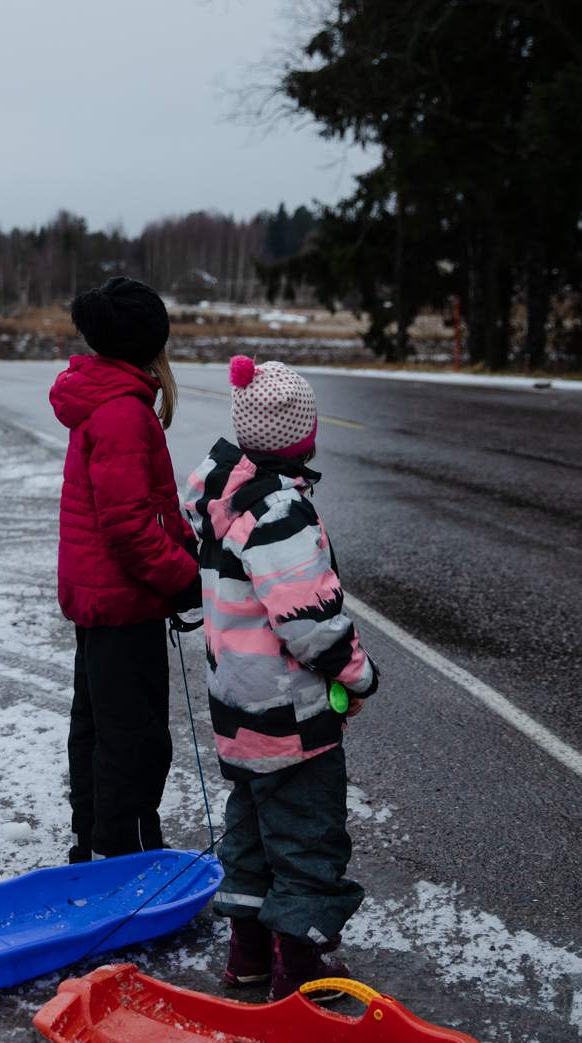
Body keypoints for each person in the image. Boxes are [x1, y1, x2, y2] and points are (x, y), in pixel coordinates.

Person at [178, 355, 378, 1000]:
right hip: (291, 711)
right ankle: (302, 974)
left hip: (235, 701)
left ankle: (248, 961)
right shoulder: (279, 512)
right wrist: (359, 673)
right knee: (307, 836)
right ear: (304, 436)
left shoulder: (220, 493)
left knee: (253, 827)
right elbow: (308, 622)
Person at [51, 277, 200, 863]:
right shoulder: (121, 412)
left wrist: (188, 548)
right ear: (147, 343)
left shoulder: (107, 397)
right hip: (122, 601)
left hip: (104, 601)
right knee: (132, 740)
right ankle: (120, 859)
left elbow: (151, 506)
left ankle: (95, 847)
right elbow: (130, 528)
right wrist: (185, 579)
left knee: (99, 731)